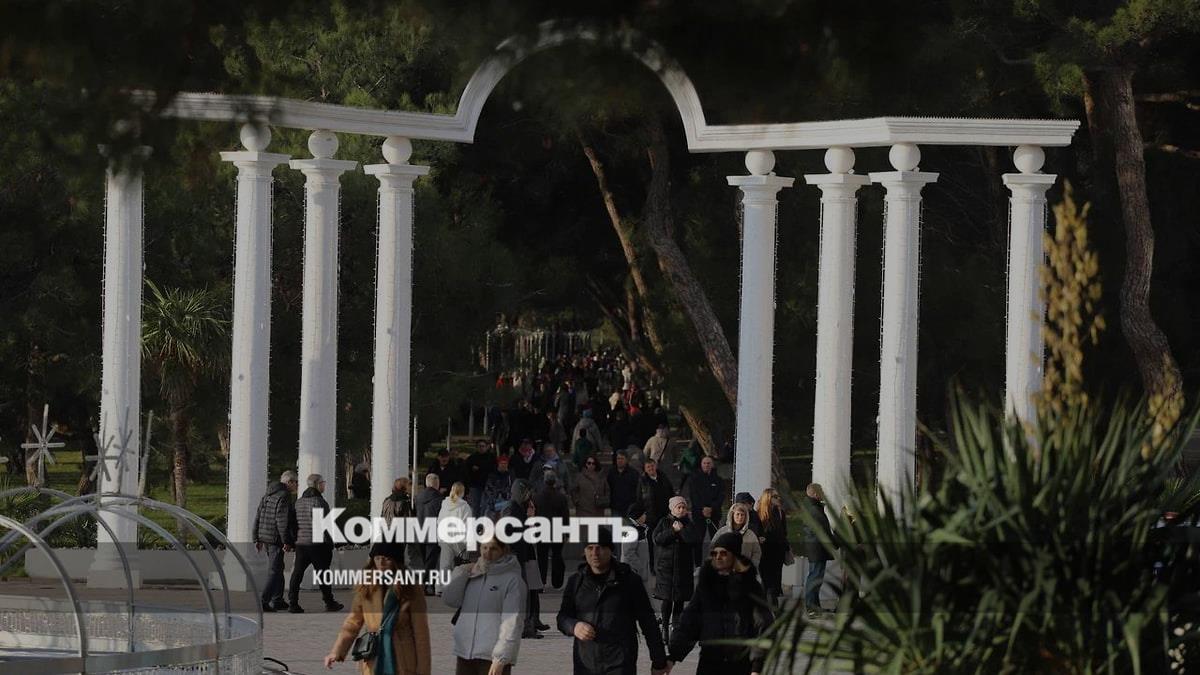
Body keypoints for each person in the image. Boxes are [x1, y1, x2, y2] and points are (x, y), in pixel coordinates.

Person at [557, 526, 670, 675]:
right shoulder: (576, 581)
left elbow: (648, 622)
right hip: (585, 664)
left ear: (611, 550)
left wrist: (659, 661)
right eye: (590, 548)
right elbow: (562, 617)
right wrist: (574, 626)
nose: (595, 553)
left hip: (620, 664)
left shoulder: (629, 581)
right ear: (584, 551)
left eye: (600, 548)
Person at [667, 531, 773, 675]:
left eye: (723, 553)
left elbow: (764, 625)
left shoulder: (751, 587)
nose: (718, 557)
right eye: (714, 553)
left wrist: (757, 665)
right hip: (709, 662)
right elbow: (689, 623)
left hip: (740, 663)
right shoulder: (706, 586)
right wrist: (673, 656)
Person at [324, 542, 431, 674]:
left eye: (387, 558)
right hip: (373, 656)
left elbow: (421, 634)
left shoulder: (411, 588)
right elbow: (352, 623)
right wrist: (336, 651)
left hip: (403, 658)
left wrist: (423, 670)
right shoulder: (365, 585)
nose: (381, 563)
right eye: (377, 558)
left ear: (396, 561)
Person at [442, 537, 526, 675]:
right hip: (465, 653)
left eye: (493, 548)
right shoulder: (472, 573)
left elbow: (512, 622)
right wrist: (461, 572)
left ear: (504, 550)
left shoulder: (513, 580)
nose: (488, 552)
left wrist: (501, 658)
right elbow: (450, 600)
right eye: (484, 547)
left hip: (491, 657)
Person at [289, 473, 344, 613]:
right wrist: (332, 543)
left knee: (297, 573)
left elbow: (293, 523)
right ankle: (329, 602)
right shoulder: (319, 502)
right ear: (318, 485)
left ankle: (292, 602)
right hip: (317, 544)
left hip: (301, 543)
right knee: (323, 574)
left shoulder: (298, 502)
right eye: (323, 483)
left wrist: (295, 538)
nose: (324, 485)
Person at [500, 478, 544, 639]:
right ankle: (524, 627)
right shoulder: (511, 509)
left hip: (522, 555)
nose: (528, 496)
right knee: (521, 593)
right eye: (526, 493)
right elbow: (507, 533)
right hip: (516, 556)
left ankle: (528, 625)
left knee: (526, 592)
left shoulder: (518, 507)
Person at [652, 495, 701, 639]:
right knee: (666, 599)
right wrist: (673, 531)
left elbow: (694, 540)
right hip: (666, 568)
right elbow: (657, 539)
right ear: (672, 509)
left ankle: (675, 628)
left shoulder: (689, 523)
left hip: (683, 569)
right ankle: (664, 628)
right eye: (678, 507)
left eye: (684, 507)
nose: (681, 510)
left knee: (679, 600)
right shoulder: (664, 521)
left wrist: (681, 530)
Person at [253, 470, 298, 612]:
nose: (297, 485)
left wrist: (256, 538)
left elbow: (258, 516)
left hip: (265, 537)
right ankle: (263, 601)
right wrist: (286, 541)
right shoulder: (284, 496)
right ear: (289, 482)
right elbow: (282, 521)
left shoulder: (268, 494)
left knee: (278, 568)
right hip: (275, 538)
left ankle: (277, 599)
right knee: (274, 570)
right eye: (296, 482)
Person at [799, 483, 835, 617]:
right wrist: (836, 543)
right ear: (815, 494)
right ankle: (811, 608)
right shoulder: (814, 509)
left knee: (815, 576)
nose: (823, 494)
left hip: (815, 547)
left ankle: (815, 606)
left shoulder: (812, 507)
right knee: (815, 577)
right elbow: (824, 530)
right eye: (821, 492)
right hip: (817, 547)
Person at [757, 487, 794, 609]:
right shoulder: (759, 513)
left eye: (778, 496)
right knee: (768, 582)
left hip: (778, 552)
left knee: (775, 582)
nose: (779, 498)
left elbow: (783, 532)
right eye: (775, 497)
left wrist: (786, 546)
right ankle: (769, 608)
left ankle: (771, 608)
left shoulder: (780, 512)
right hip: (765, 553)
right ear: (768, 498)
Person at [533, 467, 570, 589]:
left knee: (542, 557)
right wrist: (567, 532)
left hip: (541, 529)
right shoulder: (561, 497)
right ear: (555, 481)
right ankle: (557, 581)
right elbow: (565, 516)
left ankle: (541, 581)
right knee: (557, 555)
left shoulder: (537, 497)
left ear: (544, 481)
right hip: (557, 529)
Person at [686, 456, 726, 564]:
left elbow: (721, 496)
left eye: (708, 463)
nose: (706, 465)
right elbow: (694, 496)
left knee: (715, 539)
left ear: (712, 464)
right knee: (698, 539)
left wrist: (711, 508)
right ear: (701, 464)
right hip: (699, 514)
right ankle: (698, 564)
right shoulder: (694, 479)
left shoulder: (718, 480)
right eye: (704, 463)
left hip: (714, 514)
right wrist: (703, 508)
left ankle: (715, 562)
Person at [638, 458, 674, 565]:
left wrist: (672, 510)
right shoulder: (642, 481)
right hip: (651, 517)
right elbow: (639, 499)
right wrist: (641, 514)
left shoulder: (663, 477)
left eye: (652, 466)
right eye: (648, 467)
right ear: (645, 469)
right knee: (651, 543)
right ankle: (652, 566)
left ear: (656, 466)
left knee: (666, 540)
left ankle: (666, 564)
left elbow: (671, 493)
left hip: (665, 515)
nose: (651, 468)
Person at [414, 474, 444, 594]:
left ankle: (426, 584)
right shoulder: (440, 499)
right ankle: (427, 584)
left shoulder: (417, 497)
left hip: (420, 531)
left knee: (425, 560)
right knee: (431, 561)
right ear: (437, 484)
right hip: (433, 532)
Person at [438, 481, 474, 575]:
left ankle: (442, 583)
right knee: (460, 568)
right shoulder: (465, 507)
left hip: (445, 538)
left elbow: (439, 521)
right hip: (459, 541)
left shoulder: (444, 504)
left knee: (445, 566)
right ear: (462, 492)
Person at [713, 502, 763, 570]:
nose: (740, 517)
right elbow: (712, 547)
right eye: (738, 514)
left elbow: (757, 552)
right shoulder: (722, 532)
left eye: (742, 515)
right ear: (732, 515)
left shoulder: (750, 535)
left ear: (746, 517)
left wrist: (752, 565)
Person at [621, 502, 653, 595]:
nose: (645, 516)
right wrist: (641, 568)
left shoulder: (640, 529)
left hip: (639, 572)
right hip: (634, 573)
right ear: (638, 515)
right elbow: (628, 553)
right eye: (644, 514)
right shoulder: (632, 531)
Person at [465, 441, 496, 516]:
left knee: (486, 505)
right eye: (479, 446)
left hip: (488, 484)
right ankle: (475, 521)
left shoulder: (491, 457)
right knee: (475, 505)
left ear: (486, 447)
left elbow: (493, 469)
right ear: (476, 447)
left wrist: (480, 468)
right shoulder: (472, 458)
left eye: (483, 446)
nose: (481, 448)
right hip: (475, 485)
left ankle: (483, 520)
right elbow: (467, 470)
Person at [606, 451, 640, 520]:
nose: (620, 461)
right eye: (618, 458)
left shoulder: (634, 473)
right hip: (615, 506)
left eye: (622, 458)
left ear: (626, 460)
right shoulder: (611, 472)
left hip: (629, 507)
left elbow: (638, 489)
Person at [482, 454, 515, 519]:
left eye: (505, 463)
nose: (503, 465)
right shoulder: (492, 475)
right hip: (493, 501)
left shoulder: (510, 476)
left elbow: (512, 488)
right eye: (502, 463)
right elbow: (488, 488)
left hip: (506, 501)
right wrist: (495, 495)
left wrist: (507, 495)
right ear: (498, 464)